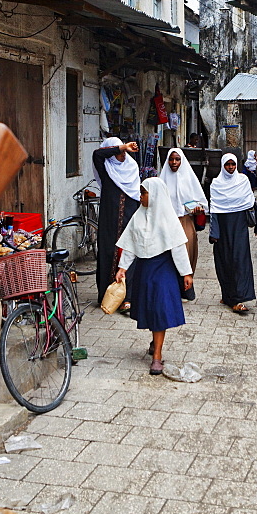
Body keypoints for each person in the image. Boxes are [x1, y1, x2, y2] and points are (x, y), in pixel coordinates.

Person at [115, 178, 193, 376]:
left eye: (144, 193)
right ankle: (155, 342)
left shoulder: (168, 218)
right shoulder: (138, 217)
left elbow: (178, 248)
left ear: (155, 194)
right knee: (150, 308)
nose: (140, 197)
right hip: (144, 269)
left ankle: (157, 356)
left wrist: (186, 273)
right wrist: (122, 268)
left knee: (160, 308)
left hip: (163, 269)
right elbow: (131, 244)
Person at [209, 153, 257, 313]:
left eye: (233, 164)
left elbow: (250, 202)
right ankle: (227, 295)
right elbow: (214, 210)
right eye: (227, 165)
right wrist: (214, 233)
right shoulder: (216, 184)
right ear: (223, 165)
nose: (230, 167)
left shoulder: (243, 181)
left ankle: (238, 299)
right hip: (223, 230)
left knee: (239, 261)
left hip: (239, 227)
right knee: (224, 261)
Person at [93, 137, 140, 311]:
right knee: (108, 253)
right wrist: (121, 146)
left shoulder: (132, 167)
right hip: (109, 221)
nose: (122, 154)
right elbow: (97, 154)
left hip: (129, 219)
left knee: (128, 254)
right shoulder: (106, 169)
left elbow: (136, 196)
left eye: (124, 152)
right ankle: (107, 295)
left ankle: (127, 297)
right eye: (118, 151)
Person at [160, 148, 207, 301]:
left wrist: (198, 208)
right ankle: (171, 289)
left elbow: (202, 201)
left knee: (187, 253)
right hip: (167, 222)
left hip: (186, 220)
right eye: (171, 159)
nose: (174, 162)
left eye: (177, 159)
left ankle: (186, 288)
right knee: (168, 256)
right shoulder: (162, 180)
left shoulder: (189, 178)